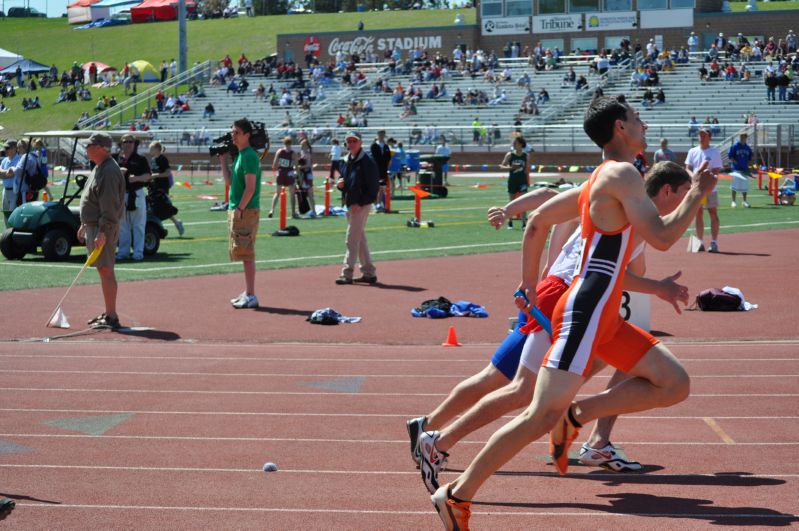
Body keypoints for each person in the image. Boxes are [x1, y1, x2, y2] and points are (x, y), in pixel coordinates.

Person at [429, 95, 716, 530]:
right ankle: (456, 495)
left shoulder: (601, 178)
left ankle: (576, 415)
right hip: (586, 311)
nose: (643, 123)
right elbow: (661, 237)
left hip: (604, 315)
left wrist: (529, 282)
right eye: (636, 118)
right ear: (620, 128)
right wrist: (695, 192)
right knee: (536, 413)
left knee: (674, 383)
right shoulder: (621, 173)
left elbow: (536, 220)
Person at [415, 164, 694, 494]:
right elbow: (547, 203)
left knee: (595, 362)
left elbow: (606, 263)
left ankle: (584, 429)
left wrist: (658, 287)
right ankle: (438, 442)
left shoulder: (624, 207)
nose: (685, 201)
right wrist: (513, 219)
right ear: (666, 191)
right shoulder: (621, 200)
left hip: (576, 299)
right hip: (566, 295)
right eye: (684, 194)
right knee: (521, 391)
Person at [78, 132, 126, 330]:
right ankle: (108, 312)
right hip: (95, 226)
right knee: (103, 269)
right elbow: (95, 199)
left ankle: (111, 315)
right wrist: (84, 223)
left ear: (100, 148)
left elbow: (109, 205)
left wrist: (102, 230)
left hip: (102, 228)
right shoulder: (100, 167)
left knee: (106, 270)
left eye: (89, 146)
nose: (86, 149)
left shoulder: (108, 171)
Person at [219, 118, 262, 309]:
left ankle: (251, 294)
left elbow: (250, 188)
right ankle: (248, 291)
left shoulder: (249, 156)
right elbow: (229, 182)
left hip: (245, 209)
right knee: (242, 252)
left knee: (246, 252)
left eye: (236, 132)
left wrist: (240, 209)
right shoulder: (240, 155)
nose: (232, 135)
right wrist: (222, 159)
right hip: (239, 208)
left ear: (247, 135)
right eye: (232, 131)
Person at [335, 131, 379, 285]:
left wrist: (359, 203)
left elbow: (373, 188)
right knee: (359, 239)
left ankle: (346, 274)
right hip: (350, 204)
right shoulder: (347, 160)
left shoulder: (367, 161)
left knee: (351, 239)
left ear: (360, 143)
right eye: (349, 141)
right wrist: (341, 185)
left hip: (360, 206)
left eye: (354, 141)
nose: (351, 143)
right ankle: (369, 272)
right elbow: (348, 183)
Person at [685, 126, 722, 252]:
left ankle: (714, 242)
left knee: (712, 213)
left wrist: (710, 180)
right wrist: (693, 177)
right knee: (698, 214)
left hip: (709, 188)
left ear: (709, 137)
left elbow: (716, 171)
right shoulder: (692, 151)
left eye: (704, 135)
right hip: (696, 188)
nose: (701, 137)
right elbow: (687, 168)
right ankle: (700, 242)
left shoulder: (714, 151)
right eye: (700, 135)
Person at [115, 134, 152, 261]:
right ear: (121, 143)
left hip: (137, 193)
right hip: (121, 194)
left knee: (138, 224)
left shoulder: (140, 159)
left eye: (131, 142)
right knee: (122, 225)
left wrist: (136, 178)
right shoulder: (117, 158)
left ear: (134, 144)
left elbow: (148, 176)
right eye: (125, 141)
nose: (128, 144)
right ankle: (123, 252)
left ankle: (138, 253)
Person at [147, 141, 184, 235]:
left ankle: (173, 224)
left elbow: (167, 173)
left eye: (151, 148)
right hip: (153, 186)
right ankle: (176, 223)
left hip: (162, 187)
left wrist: (155, 176)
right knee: (156, 207)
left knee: (163, 207)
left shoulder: (163, 159)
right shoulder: (152, 159)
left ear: (157, 149)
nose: (149, 150)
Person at [499, 136, 530, 229]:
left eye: (515, 143)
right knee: (511, 202)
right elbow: (501, 166)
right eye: (513, 143)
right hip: (512, 181)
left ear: (521, 144)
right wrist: (511, 168)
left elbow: (527, 169)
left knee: (524, 201)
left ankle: (524, 223)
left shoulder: (526, 155)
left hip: (522, 181)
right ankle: (510, 222)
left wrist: (527, 180)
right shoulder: (510, 155)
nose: (514, 145)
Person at [270, 137, 297, 219]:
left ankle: (272, 210)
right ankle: (293, 212)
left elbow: (274, 165)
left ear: (284, 143)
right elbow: (296, 166)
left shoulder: (279, 151)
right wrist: (298, 175)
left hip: (281, 173)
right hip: (289, 173)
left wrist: (279, 168)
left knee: (277, 193)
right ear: (291, 143)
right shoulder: (293, 153)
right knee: (292, 194)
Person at [728, 132, 753, 208]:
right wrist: (734, 161)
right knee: (734, 186)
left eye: (744, 137)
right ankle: (733, 201)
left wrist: (749, 166)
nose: (743, 138)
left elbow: (750, 157)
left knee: (744, 187)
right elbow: (730, 156)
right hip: (736, 169)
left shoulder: (747, 147)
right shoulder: (735, 146)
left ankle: (744, 201)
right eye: (741, 137)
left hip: (745, 169)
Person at [370, 130, 392, 211]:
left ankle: (379, 204)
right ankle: (375, 203)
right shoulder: (374, 146)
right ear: (378, 135)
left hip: (383, 171)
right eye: (380, 134)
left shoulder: (386, 146)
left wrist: (387, 168)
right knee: (375, 187)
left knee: (382, 187)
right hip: (375, 170)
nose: (382, 136)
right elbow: (375, 158)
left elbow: (389, 158)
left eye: (383, 134)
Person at [1, 140, 20, 226]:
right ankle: (7, 233)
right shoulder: (5, 160)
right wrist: (7, 173)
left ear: (14, 149)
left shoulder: (19, 159)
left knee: (13, 214)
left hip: (14, 191)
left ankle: (12, 233)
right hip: (5, 191)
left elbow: (12, 173)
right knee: (5, 213)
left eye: (7, 148)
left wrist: (5, 174)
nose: (5, 150)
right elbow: (6, 174)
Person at [297, 138, 317, 218]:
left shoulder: (308, 154)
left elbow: (309, 165)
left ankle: (314, 211)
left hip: (307, 174)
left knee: (310, 194)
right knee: (301, 193)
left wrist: (299, 167)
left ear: (305, 146)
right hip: (303, 174)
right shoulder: (302, 152)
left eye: (302, 145)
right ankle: (303, 209)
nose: (301, 146)